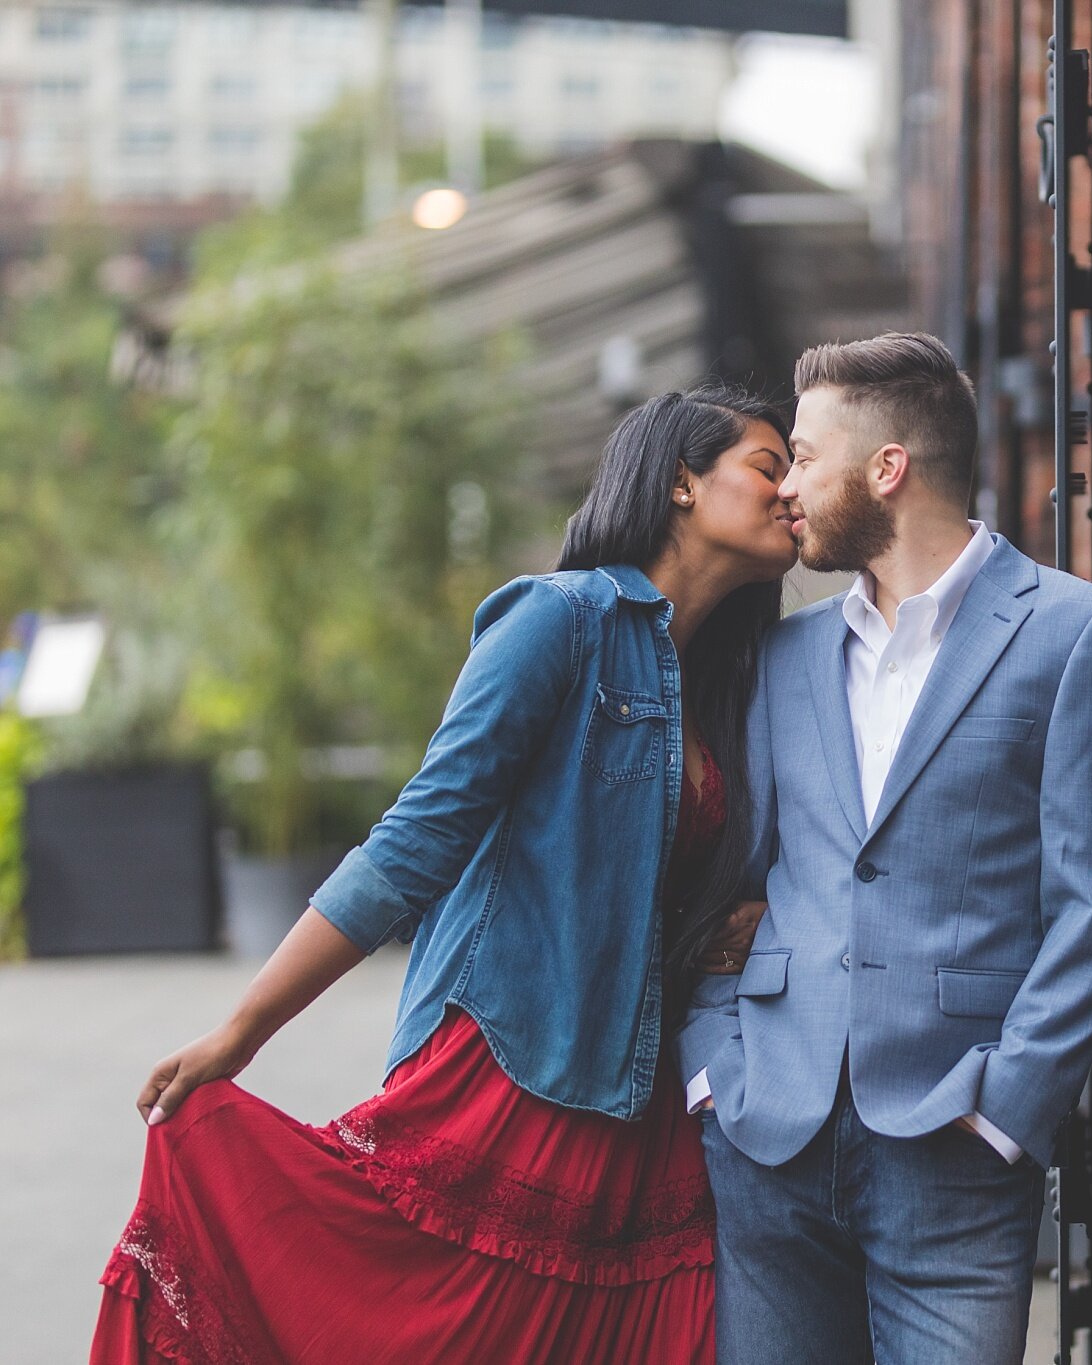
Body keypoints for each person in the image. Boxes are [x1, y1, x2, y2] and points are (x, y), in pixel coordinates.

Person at [91, 384, 793, 1364]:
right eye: (770, 465)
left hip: (642, 1109)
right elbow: (415, 839)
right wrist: (242, 1032)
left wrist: (741, 918)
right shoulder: (562, 621)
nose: (792, 489)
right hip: (511, 1077)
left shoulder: (734, 676)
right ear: (681, 480)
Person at [674, 333, 1092, 1365]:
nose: (787, 486)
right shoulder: (784, 655)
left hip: (952, 1148)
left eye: (804, 456)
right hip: (768, 1134)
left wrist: (1009, 1108)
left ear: (887, 469)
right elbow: (728, 880)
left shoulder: (1068, 631)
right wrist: (715, 1074)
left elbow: (1090, 902)